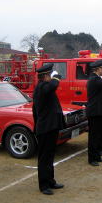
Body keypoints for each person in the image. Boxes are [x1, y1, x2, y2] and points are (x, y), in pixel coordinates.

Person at [32, 63, 65, 195]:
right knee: (44, 158)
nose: (51, 78)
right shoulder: (41, 87)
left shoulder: (46, 87)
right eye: (50, 75)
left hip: (50, 126)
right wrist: (56, 77)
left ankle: (50, 180)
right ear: (45, 76)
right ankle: (43, 185)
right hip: (45, 128)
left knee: (50, 155)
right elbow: (52, 86)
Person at [86, 59, 102, 166]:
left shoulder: (96, 78)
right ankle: (92, 158)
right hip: (94, 111)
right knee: (94, 136)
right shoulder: (94, 79)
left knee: (98, 135)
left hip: (97, 111)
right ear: (98, 69)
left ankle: (97, 156)